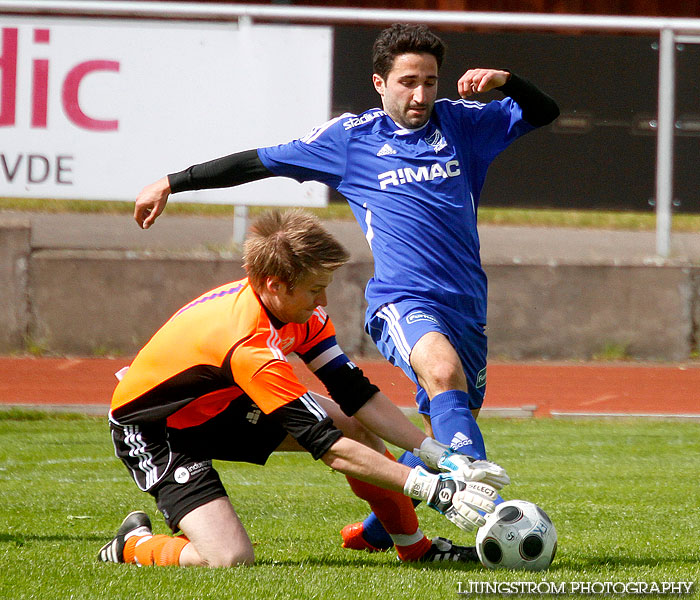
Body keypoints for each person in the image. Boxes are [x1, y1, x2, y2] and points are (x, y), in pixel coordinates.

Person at [131, 23, 558, 553]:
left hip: (467, 302)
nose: (420, 94)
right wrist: (173, 181)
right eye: (407, 81)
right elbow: (260, 161)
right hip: (403, 299)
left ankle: (383, 529)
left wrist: (508, 80)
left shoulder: (463, 123)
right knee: (441, 371)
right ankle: (493, 519)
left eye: (429, 81)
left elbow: (545, 113)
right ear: (380, 83)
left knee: (450, 417)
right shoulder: (351, 140)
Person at [98, 209, 508, 568]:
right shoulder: (247, 346)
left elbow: (355, 393)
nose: (323, 299)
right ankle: (133, 545)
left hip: (222, 404)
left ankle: (415, 548)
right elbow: (328, 448)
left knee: (355, 423)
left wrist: (438, 455)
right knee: (228, 559)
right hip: (157, 429)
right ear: (275, 285)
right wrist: (432, 489)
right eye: (315, 288)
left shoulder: (297, 313)